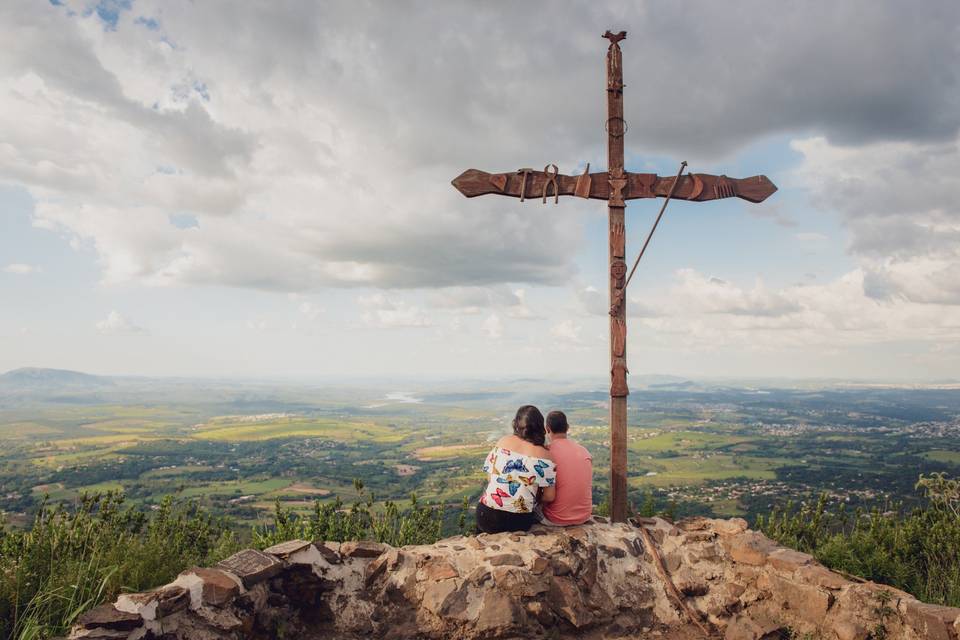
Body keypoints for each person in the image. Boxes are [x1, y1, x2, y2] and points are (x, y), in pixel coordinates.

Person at [476, 405, 556, 534]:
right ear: (540, 427)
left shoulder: (503, 442)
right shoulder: (546, 455)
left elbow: (490, 478)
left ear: (516, 424)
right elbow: (549, 496)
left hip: (486, 516)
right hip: (518, 520)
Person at [537, 410, 593, 526]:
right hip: (584, 516)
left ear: (547, 429)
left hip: (556, 518)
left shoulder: (547, 453)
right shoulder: (584, 451)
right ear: (567, 428)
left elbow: (547, 497)